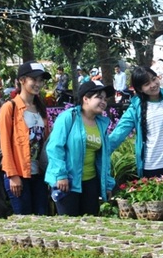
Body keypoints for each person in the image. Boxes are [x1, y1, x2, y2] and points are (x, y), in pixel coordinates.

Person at [44, 81, 116, 216]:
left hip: (90, 183)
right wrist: (61, 175)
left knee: (89, 223)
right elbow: (54, 148)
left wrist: (107, 184)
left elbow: (104, 157)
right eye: (99, 97)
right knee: (69, 224)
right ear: (85, 99)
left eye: (105, 99)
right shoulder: (68, 117)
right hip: (67, 182)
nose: (103, 102)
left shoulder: (102, 123)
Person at [0, 61, 52, 215]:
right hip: (19, 175)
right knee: (24, 220)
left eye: (41, 80)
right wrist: (12, 175)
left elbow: (46, 142)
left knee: (42, 219)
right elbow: (5, 144)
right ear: (22, 80)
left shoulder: (41, 109)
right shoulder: (10, 108)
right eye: (34, 79)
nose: (38, 84)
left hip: (39, 174)